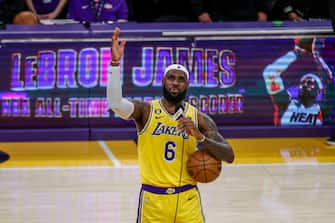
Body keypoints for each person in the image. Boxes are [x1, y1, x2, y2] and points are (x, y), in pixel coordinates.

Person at [107, 27, 234, 222]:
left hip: (188, 199)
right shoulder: (145, 111)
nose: (175, 83)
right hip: (153, 201)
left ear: (187, 85)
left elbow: (229, 155)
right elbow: (115, 104)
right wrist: (115, 64)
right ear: (163, 81)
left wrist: (200, 137)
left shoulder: (199, 118)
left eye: (181, 79)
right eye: (171, 78)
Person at [263, 38, 334, 125]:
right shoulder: (286, 104)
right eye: (303, 82)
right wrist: (295, 53)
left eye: (310, 83)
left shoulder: (322, 110)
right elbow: (270, 73)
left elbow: (329, 80)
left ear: (318, 91)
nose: (305, 84)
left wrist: (316, 54)